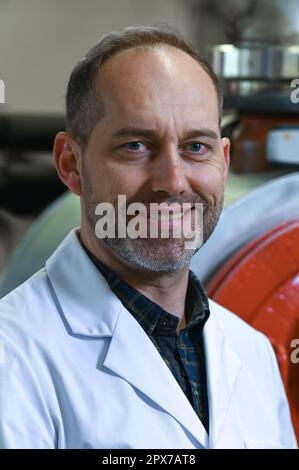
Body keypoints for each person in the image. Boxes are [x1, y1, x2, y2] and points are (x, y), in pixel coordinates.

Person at [0, 25, 297, 449]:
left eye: (196, 147)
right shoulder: (12, 355)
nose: (173, 181)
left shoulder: (252, 353)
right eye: (136, 146)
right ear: (70, 163)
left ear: (224, 162)